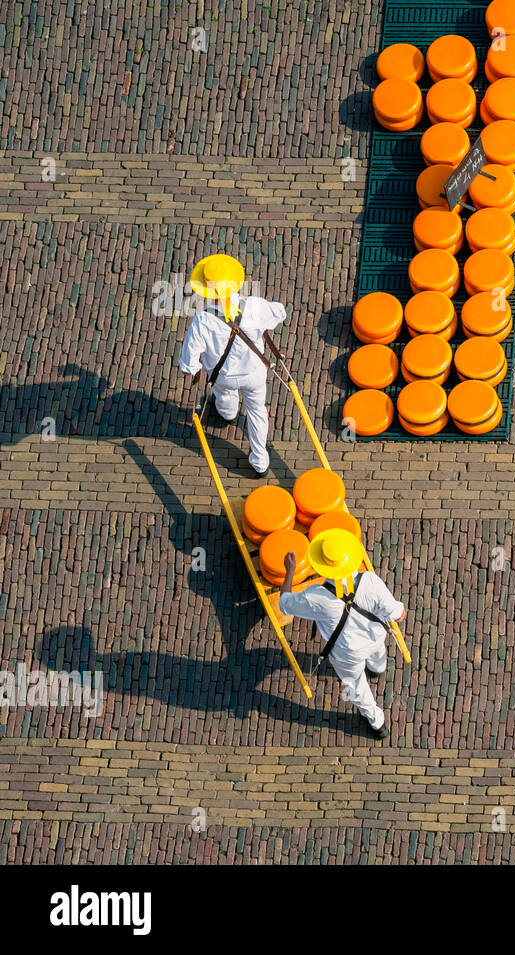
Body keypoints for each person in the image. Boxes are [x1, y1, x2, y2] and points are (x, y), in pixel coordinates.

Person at [277, 529, 405, 739]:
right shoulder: (370, 581)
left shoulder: (316, 598)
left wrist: (289, 571)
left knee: (355, 685)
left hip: (348, 652)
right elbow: (398, 614)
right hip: (375, 637)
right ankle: (378, 667)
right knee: (376, 654)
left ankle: (377, 722)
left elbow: (284, 604)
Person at [179, 254, 287, 475]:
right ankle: (260, 462)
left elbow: (188, 365)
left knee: (225, 397)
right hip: (254, 372)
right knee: (256, 411)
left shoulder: (202, 320)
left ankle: (227, 414)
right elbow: (280, 313)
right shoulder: (254, 306)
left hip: (223, 376)